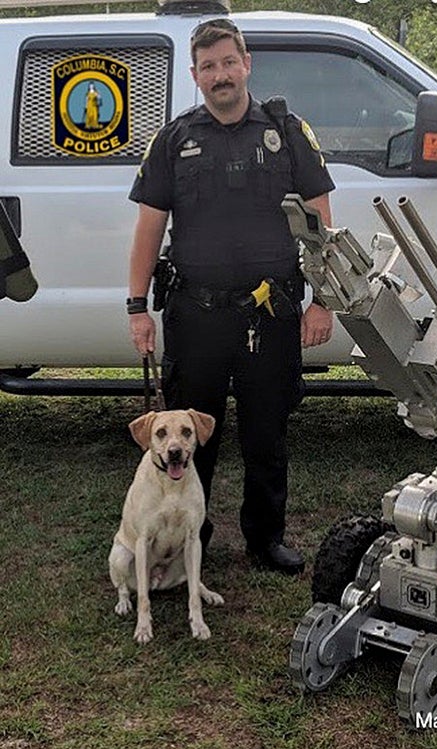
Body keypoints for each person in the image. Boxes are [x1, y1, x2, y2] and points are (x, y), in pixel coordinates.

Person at [126, 18, 335, 575]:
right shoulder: (173, 139)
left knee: (268, 433)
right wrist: (136, 306)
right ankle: (195, 536)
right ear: (195, 76)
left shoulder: (287, 132)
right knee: (194, 436)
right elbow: (149, 227)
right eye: (209, 66)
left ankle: (266, 539)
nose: (221, 74)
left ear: (247, 64)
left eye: (228, 62)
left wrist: (324, 300)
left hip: (270, 314)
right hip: (196, 315)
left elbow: (319, 219)